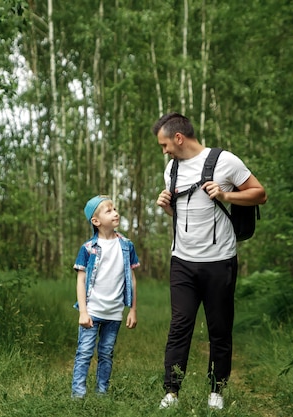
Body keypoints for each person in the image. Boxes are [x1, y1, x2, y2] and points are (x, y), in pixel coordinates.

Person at [152, 113, 267, 410]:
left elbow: (260, 194)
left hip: (220, 262)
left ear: (179, 138)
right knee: (179, 326)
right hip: (182, 261)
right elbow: (181, 217)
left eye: (165, 144)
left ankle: (217, 391)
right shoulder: (171, 169)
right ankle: (171, 393)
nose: (163, 151)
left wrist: (227, 195)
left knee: (219, 328)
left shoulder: (225, 161)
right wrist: (167, 207)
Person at [71, 195, 140, 398]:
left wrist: (133, 310)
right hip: (92, 311)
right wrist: (83, 311)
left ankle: (102, 393)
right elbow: (81, 281)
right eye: (109, 211)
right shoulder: (88, 248)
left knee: (106, 354)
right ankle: (78, 395)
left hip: (114, 312)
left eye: (115, 209)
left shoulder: (127, 245)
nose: (115, 213)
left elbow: (132, 280)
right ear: (96, 221)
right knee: (84, 353)